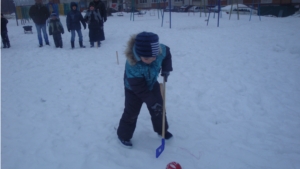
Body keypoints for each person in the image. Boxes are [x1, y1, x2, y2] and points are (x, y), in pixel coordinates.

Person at [117, 32, 173, 148]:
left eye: (154, 57)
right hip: (133, 89)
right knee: (131, 113)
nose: (152, 60)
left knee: (159, 109)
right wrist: (152, 102)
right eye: (147, 58)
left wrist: (166, 69)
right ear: (139, 54)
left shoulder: (159, 50)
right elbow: (140, 89)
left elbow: (167, 53)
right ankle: (124, 135)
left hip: (152, 84)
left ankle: (162, 130)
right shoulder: (133, 64)